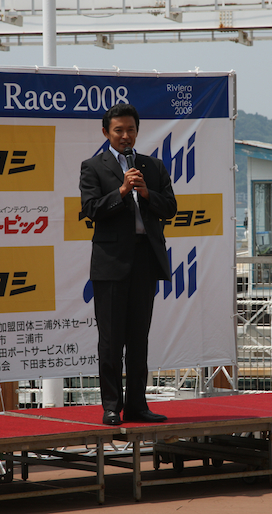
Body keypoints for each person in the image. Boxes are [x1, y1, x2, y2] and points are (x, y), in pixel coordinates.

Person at [79, 103, 178, 426]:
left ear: (137, 131)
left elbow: (170, 208)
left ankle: (137, 405)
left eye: (131, 130)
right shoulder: (93, 167)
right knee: (110, 340)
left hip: (144, 260)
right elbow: (91, 209)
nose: (125, 136)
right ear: (106, 132)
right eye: (119, 130)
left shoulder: (153, 166)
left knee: (138, 338)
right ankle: (111, 407)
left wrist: (146, 193)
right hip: (110, 264)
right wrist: (122, 191)